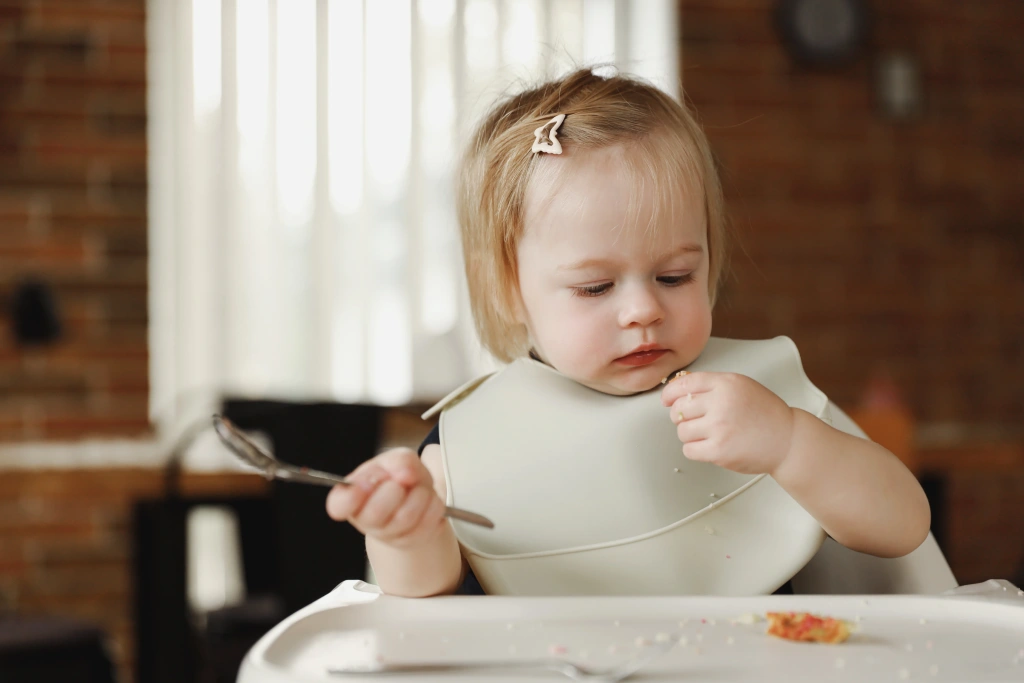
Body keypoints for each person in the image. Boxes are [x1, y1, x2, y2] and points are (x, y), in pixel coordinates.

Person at [325, 67, 931, 598]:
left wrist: (792, 443)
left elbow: (903, 526)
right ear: (510, 289)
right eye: (595, 288)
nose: (643, 309)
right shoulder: (468, 444)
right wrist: (407, 533)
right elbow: (424, 595)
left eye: (674, 275)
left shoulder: (761, 398)